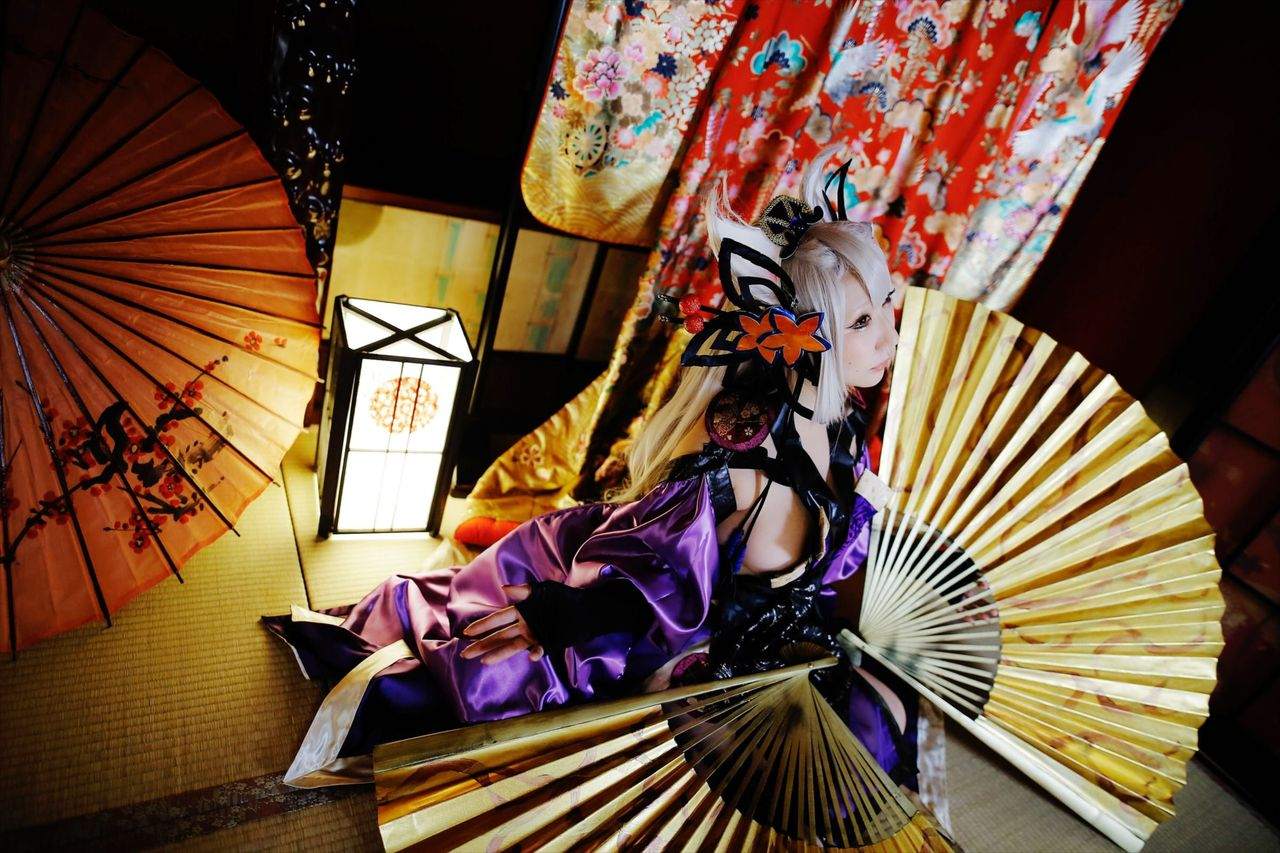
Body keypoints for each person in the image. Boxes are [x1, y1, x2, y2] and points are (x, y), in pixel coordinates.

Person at [264, 152, 917, 791]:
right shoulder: (736, 462)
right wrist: (560, 618)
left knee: (891, 716)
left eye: (886, 304)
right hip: (680, 644)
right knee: (810, 771)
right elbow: (648, 583)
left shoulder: (843, 422)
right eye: (861, 321)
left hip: (782, 638)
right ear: (796, 332)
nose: (889, 337)